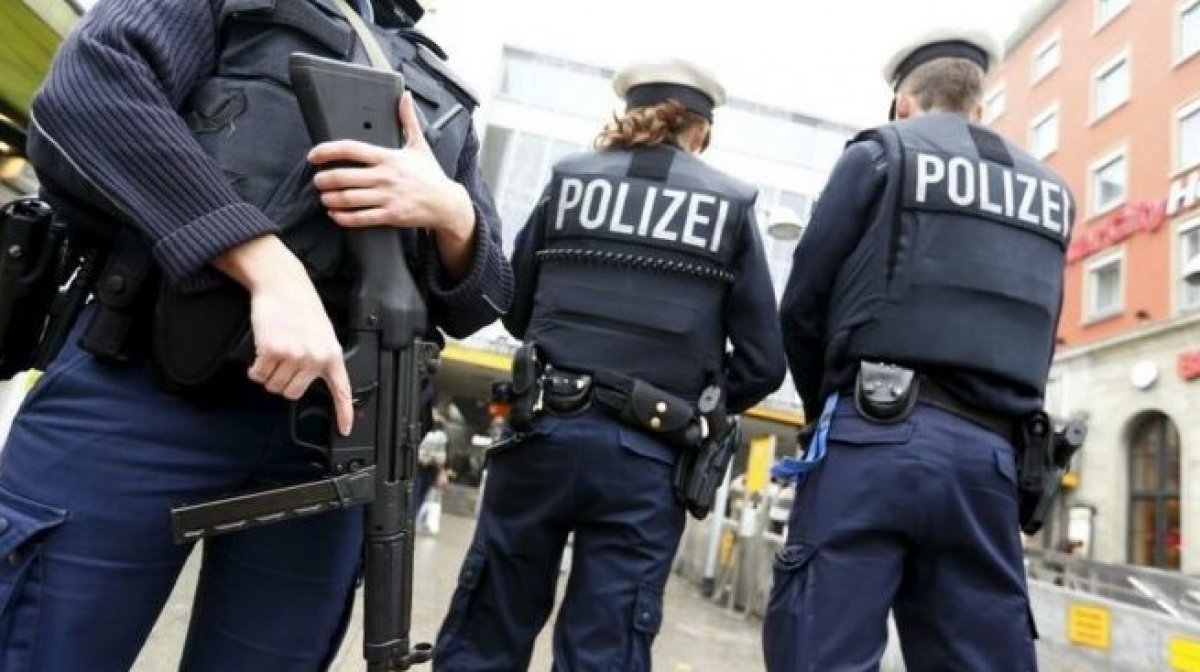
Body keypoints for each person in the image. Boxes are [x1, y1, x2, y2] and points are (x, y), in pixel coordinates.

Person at [0, 0, 512, 669]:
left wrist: (451, 212)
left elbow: (489, 294)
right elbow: (86, 97)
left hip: (332, 441)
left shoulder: (437, 84)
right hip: (144, 387)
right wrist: (264, 263)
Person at [434, 58, 786, 670]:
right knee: (607, 647)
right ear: (701, 131)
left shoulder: (569, 180)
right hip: (648, 459)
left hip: (541, 432)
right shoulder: (730, 205)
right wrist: (694, 401)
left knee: (487, 629)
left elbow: (515, 308)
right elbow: (763, 363)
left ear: (628, 115)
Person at [763, 30, 1073, 672]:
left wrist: (829, 410)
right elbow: (1044, 331)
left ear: (904, 103)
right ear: (979, 106)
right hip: (990, 462)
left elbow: (802, 303)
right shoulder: (1051, 192)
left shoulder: (880, 153)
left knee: (822, 649)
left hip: (871, 438)